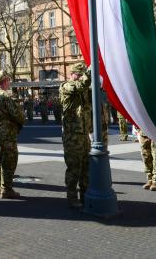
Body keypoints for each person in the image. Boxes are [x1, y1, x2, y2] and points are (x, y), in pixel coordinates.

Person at [0, 70, 25, 199]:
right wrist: (21, 120)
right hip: (7, 133)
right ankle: (6, 189)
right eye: (8, 80)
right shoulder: (7, 96)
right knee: (9, 161)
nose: (9, 83)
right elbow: (18, 115)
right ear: (5, 81)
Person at [59, 63, 92, 208]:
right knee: (74, 168)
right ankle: (72, 198)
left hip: (84, 135)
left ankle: (85, 196)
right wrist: (91, 72)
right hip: (72, 137)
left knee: (86, 169)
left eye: (81, 74)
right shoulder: (66, 87)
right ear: (71, 74)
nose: (79, 77)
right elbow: (81, 85)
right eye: (78, 74)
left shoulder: (83, 89)